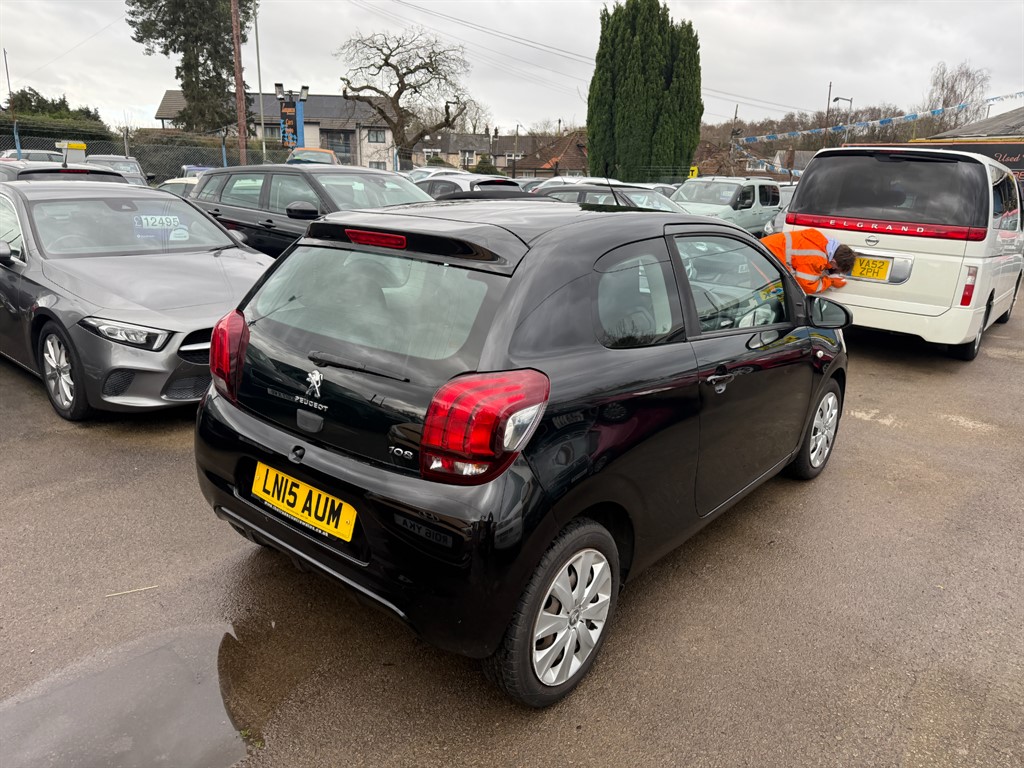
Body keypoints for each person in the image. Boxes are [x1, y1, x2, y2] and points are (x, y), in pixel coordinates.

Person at [760, 229, 859, 294]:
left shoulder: (821, 242)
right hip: (763, 257)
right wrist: (831, 281)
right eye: (835, 267)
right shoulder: (816, 258)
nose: (833, 269)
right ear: (833, 261)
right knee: (765, 294)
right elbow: (807, 287)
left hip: (763, 248)